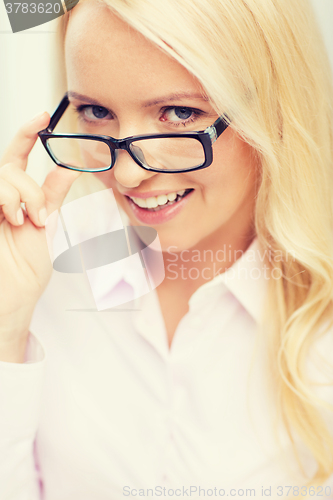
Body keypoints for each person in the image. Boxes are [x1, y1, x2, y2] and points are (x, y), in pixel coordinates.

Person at [0, 0, 333, 498]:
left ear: (275, 108)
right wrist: (6, 326)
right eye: (96, 111)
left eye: (180, 113)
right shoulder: (38, 265)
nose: (128, 175)